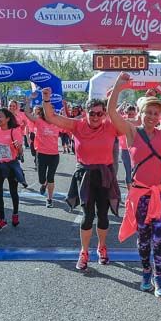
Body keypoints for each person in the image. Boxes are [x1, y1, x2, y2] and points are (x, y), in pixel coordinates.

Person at [108, 73, 161, 298]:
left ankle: (159, 277)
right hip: (140, 196)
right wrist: (118, 86)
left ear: (159, 116)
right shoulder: (131, 132)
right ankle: (146, 271)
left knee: (160, 238)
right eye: (148, 112)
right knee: (144, 239)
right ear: (141, 113)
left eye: (156, 113)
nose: (152, 116)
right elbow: (110, 113)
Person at [42, 89, 120, 272]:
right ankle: (84, 251)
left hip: (105, 174)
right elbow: (51, 117)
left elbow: (135, 127)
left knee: (102, 214)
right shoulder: (77, 125)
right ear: (86, 112)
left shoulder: (111, 126)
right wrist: (46, 99)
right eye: (92, 113)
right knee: (87, 216)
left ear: (104, 114)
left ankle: (102, 247)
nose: (95, 117)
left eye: (99, 113)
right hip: (85, 174)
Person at [0, 107, 26, 230]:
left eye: (0, 116)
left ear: (7, 118)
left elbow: (20, 151)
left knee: (13, 192)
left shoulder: (14, 131)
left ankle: (15, 214)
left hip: (11, 164)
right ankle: (2, 219)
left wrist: (18, 147)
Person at [21, 104, 62, 207]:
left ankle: (49, 199)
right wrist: (29, 100)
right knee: (42, 179)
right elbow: (26, 113)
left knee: (51, 177)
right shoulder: (39, 121)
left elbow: (73, 120)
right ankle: (44, 184)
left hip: (54, 155)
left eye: (52, 110)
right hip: (42, 155)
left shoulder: (57, 123)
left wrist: (65, 108)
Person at [116, 103, 140, 186]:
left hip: (136, 149)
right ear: (125, 113)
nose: (131, 116)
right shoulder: (123, 121)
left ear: (135, 114)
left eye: (132, 114)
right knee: (128, 171)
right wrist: (122, 104)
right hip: (124, 149)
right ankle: (130, 192)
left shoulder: (138, 122)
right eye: (129, 114)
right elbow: (115, 113)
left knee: (136, 170)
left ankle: (135, 191)